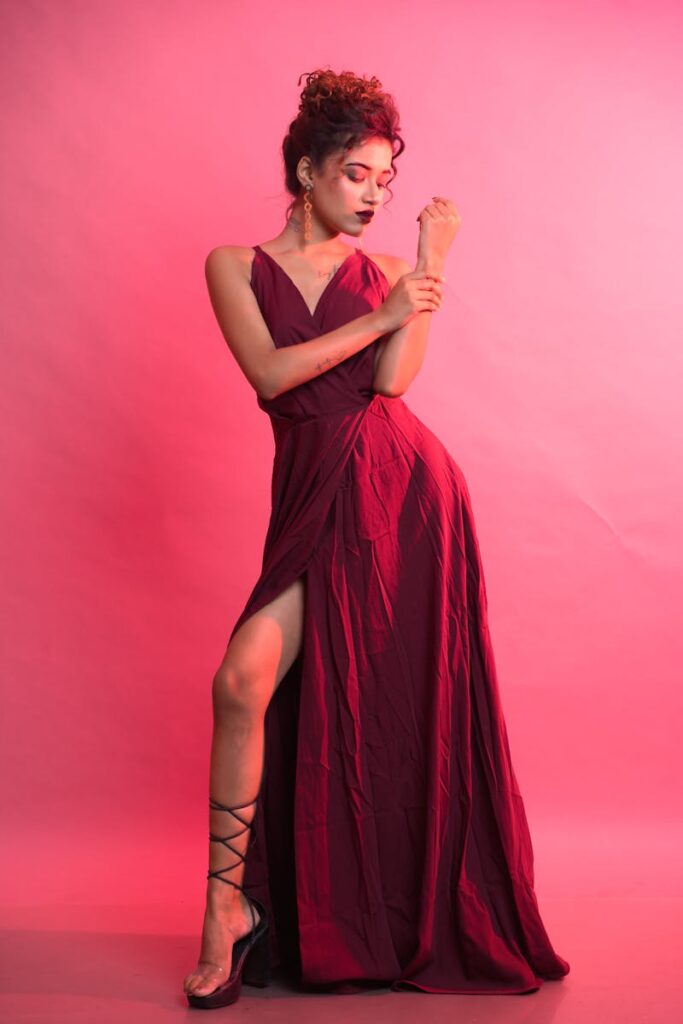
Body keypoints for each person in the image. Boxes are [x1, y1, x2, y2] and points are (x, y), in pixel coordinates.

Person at [183, 68, 570, 1009]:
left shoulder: (393, 271)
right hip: (311, 490)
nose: (372, 196)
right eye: (356, 175)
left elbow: (392, 385)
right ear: (306, 172)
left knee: (382, 709)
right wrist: (386, 317)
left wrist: (428, 264)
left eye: (384, 182)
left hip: (400, 496)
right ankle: (227, 908)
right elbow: (271, 376)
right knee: (240, 684)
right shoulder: (233, 265)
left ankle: (351, 917)